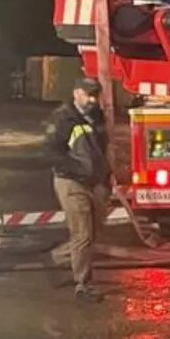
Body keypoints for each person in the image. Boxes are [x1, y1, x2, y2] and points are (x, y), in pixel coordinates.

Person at [45, 77, 111, 302]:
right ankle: (83, 285)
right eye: (88, 94)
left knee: (92, 233)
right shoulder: (62, 118)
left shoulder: (96, 117)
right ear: (76, 93)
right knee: (82, 233)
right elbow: (51, 153)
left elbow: (101, 151)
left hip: (93, 182)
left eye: (95, 95)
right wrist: (78, 170)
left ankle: (55, 258)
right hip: (71, 182)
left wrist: (105, 177)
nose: (92, 99)